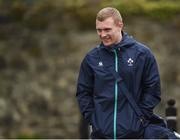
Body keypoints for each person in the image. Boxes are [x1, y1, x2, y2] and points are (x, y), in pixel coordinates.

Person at [76, 7, 177, 139]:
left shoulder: (142, 54)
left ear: (120, 25)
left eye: (107, 29)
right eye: (99, 30)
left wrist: (139, 119)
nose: (102, 34)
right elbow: (83, 92)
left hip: (135, 134)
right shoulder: (91, 58)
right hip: (101, 135)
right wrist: (94, 119)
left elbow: (153, 90)